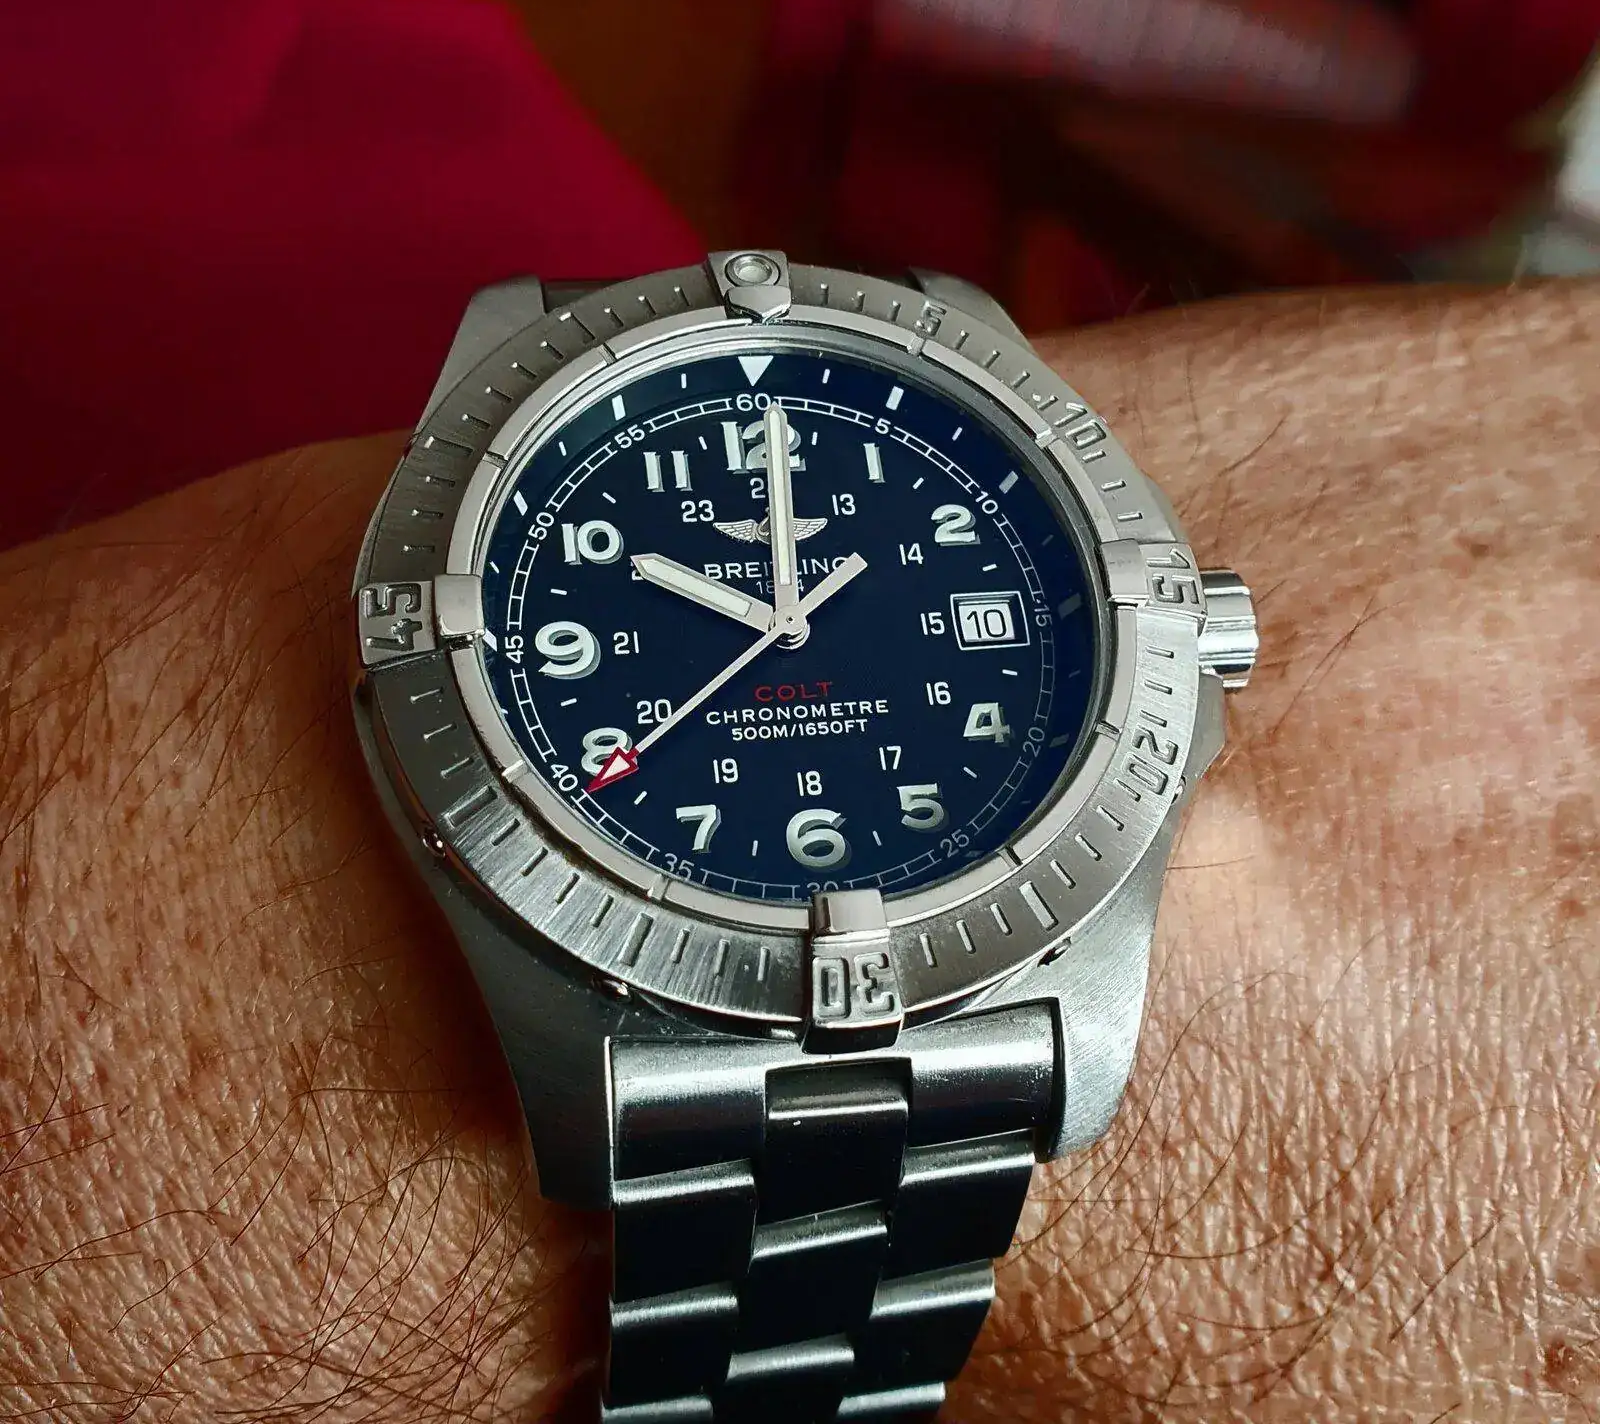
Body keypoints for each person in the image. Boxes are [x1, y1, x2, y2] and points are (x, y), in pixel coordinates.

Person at [1, 281, 1595, 1422]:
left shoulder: (1060, 567)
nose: (786, 634)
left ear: (1193, 636)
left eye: (801, 613)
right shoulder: (504, 456)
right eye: (770, 620)